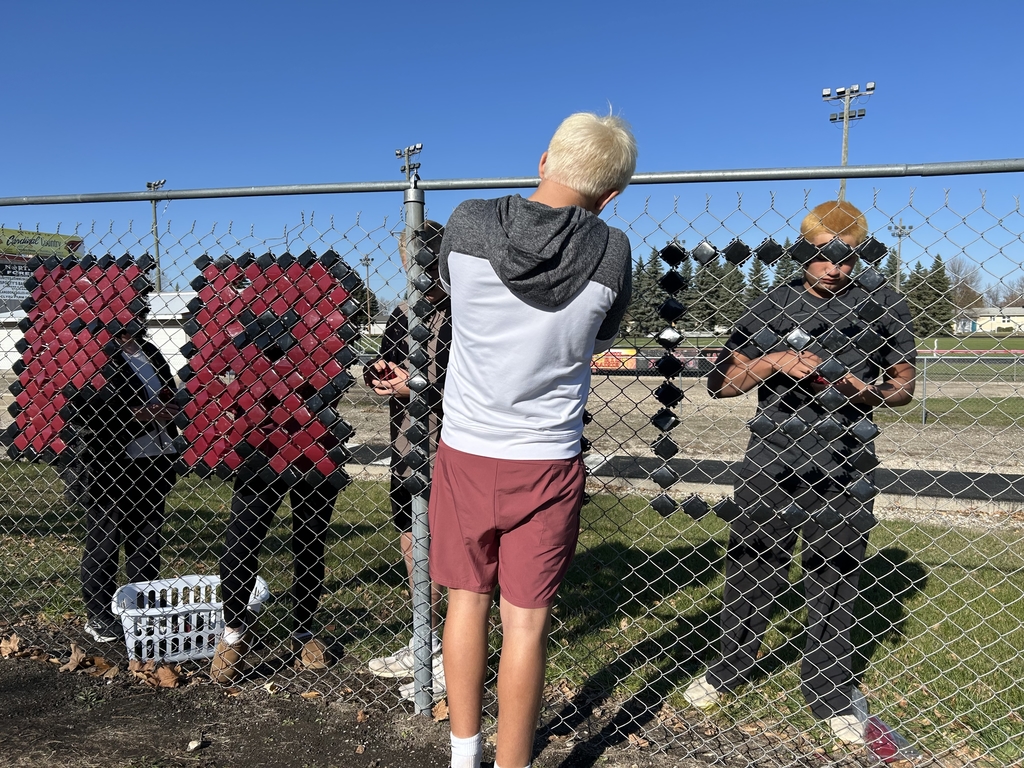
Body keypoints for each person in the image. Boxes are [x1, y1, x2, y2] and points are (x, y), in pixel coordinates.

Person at [430, 112, 637, 768]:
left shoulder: (466, 222)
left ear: (543, 158)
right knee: (526, 624)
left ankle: (465, 756)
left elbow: (449, 293)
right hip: (547, 460)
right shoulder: (612, 248)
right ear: (611, 197)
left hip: (465, 451)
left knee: (466, 603)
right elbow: (602, 338)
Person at [688, 200, 917, 745]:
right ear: (804, 249)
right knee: (752, 562)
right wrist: (772, 363)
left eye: (847, 256)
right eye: (823, 255)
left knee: (835, 572)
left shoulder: (882, 302)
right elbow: (721, 384)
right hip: (771, 457)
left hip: (846, 459)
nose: (835, 268)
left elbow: (905, 387)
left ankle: (829, 689)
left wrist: (871, 391)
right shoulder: (770, 302)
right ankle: (730, 668)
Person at [364, 220, 451, 700]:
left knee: (454, 554)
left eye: (422, 257)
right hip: (407, 448)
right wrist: (376, 375)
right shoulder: (402, 312)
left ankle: (454, 655)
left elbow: (473, 386)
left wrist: (416, 385)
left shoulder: (467, 310)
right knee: (411, 542)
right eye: (406, 258)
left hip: (454, 448)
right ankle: (426, 638)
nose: (413, 267)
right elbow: (384, 362)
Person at [77, 323, 179, 643]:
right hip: (111, 462)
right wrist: (141, 414)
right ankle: (98, 614)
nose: (137, 315)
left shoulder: (149, 351)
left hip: (155, 457)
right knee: (106, 539)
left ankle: (142, 605)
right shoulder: (97, 355)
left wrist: (170, 407)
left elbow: (166, 392)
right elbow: (88, 409)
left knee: (146, 539)